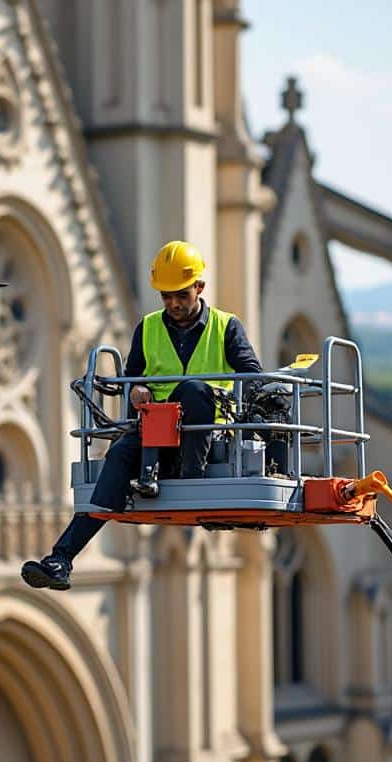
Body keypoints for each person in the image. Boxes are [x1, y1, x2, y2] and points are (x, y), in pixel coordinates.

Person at [21, 240, 262, 590]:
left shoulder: (226, 327)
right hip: (156, 430)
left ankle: (191, 481)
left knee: (193, 390)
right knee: (118, 454)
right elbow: (131, 378)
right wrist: (134, 390)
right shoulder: (148, 327)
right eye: (166, 296)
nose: (174, 304)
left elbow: (251, 374)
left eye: (181, 295)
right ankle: (61, 559)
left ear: (199, 287)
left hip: (208, 433)